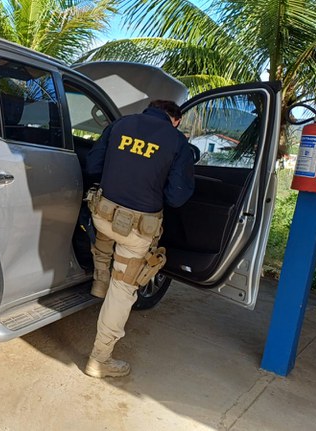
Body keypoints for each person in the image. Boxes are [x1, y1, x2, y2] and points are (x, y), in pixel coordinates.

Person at [83, 99, 195, 378]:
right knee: (123, 289)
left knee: (104, 231)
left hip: (102, 215)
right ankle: (100, 359)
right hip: (136, 230)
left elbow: (93, 166)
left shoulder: (120, 125)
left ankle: (99, 279)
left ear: (149, 108)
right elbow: (177, 196)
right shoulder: (177, 141)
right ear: (176, 120)